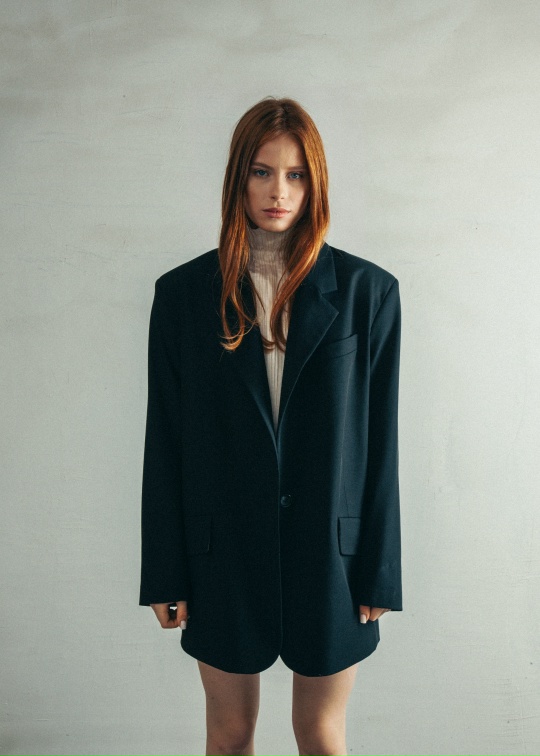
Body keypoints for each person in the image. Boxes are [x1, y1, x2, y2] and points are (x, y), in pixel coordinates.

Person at [139, 97, 402, 756]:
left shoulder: (368, 294)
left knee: (320, 736)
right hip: (222, 553)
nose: (278, 192)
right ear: (239, 177)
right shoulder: (182, 296)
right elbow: (164, 440)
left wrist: (380, 571)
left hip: (332, 559)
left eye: (295, 175)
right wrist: (165, 569)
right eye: (261, 172)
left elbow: (381, 444)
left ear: (315, 183)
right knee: (229, 737)